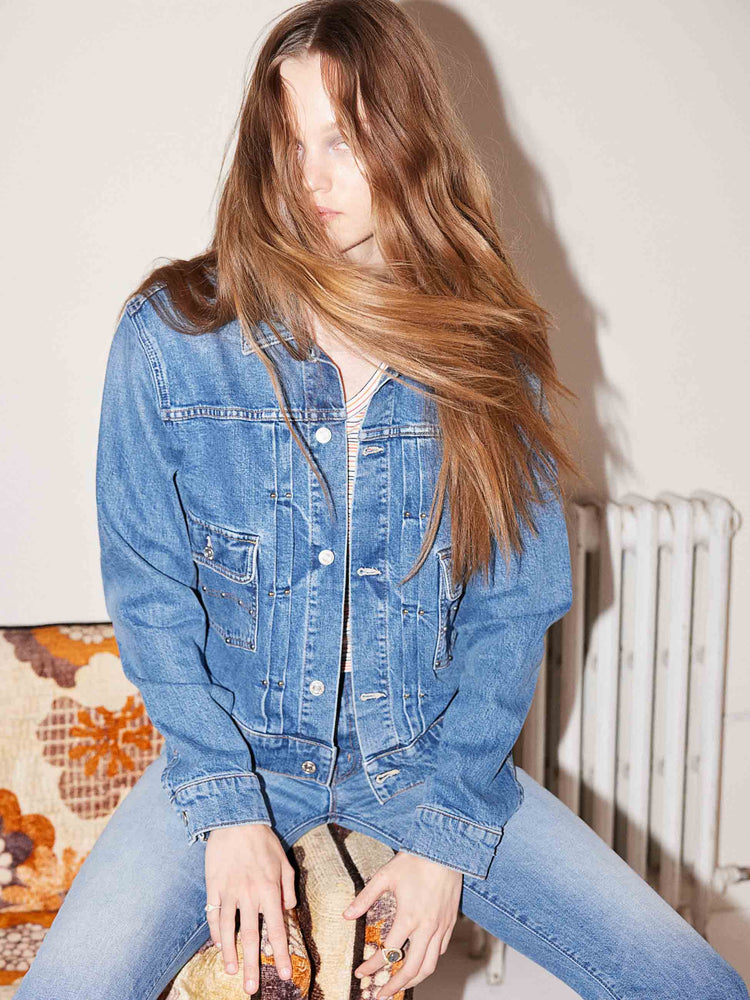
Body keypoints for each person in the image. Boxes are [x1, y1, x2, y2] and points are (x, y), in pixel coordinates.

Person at [15, 1, 748, 998]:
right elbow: (150, 597)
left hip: (427, 757)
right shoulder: (173, 338)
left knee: (691, 978)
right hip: (242, 749)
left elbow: (510, 609)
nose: (312, 178)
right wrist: (229, 813)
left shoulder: (483, 351)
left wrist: (445, 838)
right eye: (288, 144)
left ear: (407, 145)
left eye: (347, 141)